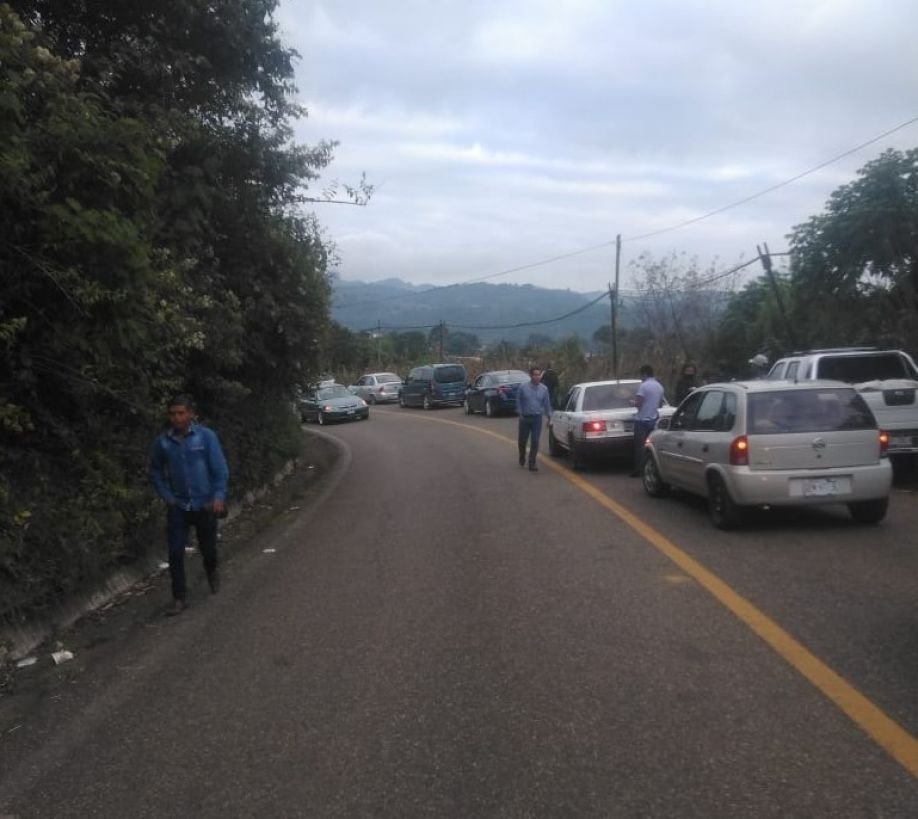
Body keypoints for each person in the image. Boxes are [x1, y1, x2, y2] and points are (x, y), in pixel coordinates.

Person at [150, 395, 229, 616]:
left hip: (205, 505)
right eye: (173, 414)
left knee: (208, 548)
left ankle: (212, 571)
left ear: (191, 414)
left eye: (181, 413)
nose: (177, 418)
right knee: (175, 553)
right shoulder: (163, 443)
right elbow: (155, 471)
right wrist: (166, 495)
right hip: (179, 506)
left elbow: (219, 469)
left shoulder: (205, 437)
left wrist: (218, 496)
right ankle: (179, 598)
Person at [516, 367, 553, 472]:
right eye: (535, 375)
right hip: (525, 418)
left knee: (535, 441)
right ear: (530, 375)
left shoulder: (544, 389)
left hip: (537, 419)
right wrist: (520, 413)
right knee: (522, 441)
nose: (537, 377)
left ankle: (532, 463)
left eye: (538, 375)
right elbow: (518, 401)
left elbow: (547, 404)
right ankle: (522, 455)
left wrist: (549, 417)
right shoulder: (523, 387)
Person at [630, 364, 664, 477]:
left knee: (640, 447)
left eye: (641, 375)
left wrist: (632, 403)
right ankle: (651, 469)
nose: (641, 378)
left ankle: (639, 470)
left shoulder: (643, 386)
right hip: (653, 420)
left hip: (641, 420)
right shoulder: (659, 386)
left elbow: (638, 403)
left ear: (644, 374)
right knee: (652, 447)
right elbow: (660, 404)